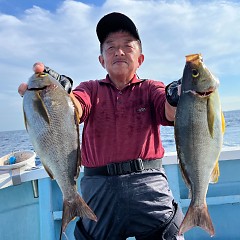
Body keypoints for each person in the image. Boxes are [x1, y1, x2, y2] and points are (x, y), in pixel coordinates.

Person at [18, 12, 184, 240]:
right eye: (110, 47)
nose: (119, 51)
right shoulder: (90, 88)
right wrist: (58, 95)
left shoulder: (151, 88)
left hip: (149, 182)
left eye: (127, 45)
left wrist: (176, 98)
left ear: (140, 59)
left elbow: (170, 112)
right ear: (101, 60)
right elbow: (74, 109)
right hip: (98, 186)